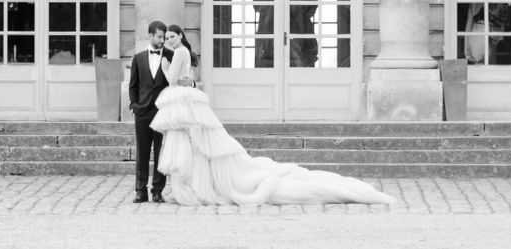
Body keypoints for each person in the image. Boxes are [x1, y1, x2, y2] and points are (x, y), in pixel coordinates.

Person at [152, 21, 395, 207]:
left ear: (180, 36)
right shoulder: (184, 52)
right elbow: (187, 78)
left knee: (191, 145)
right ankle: (194, 185)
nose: (169, 40)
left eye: (172, 36)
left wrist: (164, 65)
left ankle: (194, 186)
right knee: (194, 145)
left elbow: (172, 79)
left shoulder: (178, 53)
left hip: (183, 100)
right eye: (167, 37)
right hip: (186, 100)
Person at [126, 19, 171, 203]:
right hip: (143, 112)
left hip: (162, 112)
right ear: (150, 35)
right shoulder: (138, 58)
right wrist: (134, 105)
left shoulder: (171, 55)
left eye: (163, 37)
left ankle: (157, 191)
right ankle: (140, 190)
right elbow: (133, 85)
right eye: (159, 37)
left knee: (161, 153)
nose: (162, 40)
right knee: (142, 152)